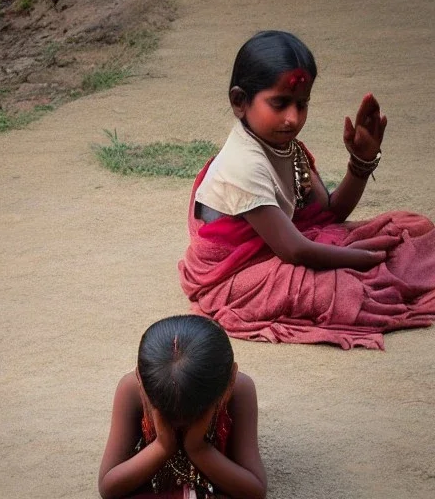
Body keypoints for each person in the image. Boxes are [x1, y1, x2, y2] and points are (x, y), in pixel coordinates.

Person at [178, 30, 435, 350]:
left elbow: (330, 213)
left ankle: (386, 269)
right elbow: (295, 250)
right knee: (344, 291)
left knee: (413, 227)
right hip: (239, 276)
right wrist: (363, 259)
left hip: (291, 245)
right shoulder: (243, 164)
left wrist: (361, 160)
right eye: (280, 103)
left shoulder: (286, 145)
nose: (292, 118)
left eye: (302, 104)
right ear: (239, 102)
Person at [98, 315, 267, 499]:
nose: (181, 427)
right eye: (166, 414)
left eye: (199, 415)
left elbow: (255, 490)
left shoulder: (240, 390)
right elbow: (109, 487)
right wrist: (162, 446)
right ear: (140, 379)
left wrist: (198, 448)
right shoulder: (131, 390)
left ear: (231, 381)